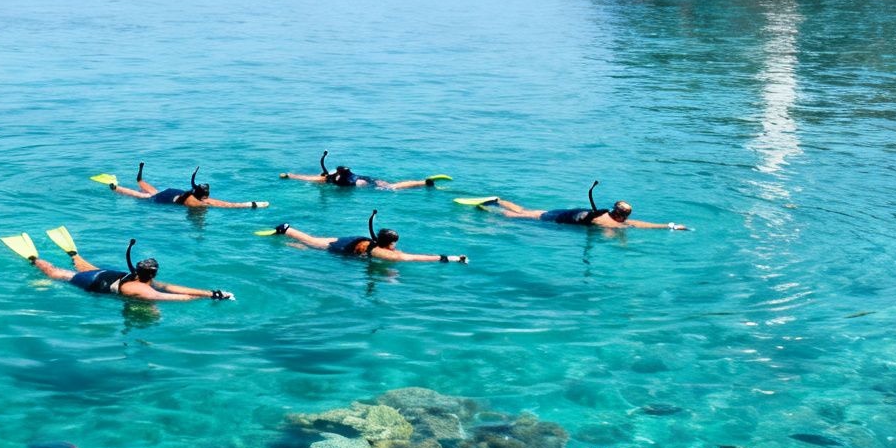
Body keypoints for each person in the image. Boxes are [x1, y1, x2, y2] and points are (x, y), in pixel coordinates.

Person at [1, 229, 233, 302]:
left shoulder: (143, 280)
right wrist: (211, 297)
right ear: (152, 273)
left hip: (107, 274)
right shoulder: (141, 288)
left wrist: (212, 293)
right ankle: (34, 258)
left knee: (82, 263)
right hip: (94, 282)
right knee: (55, 273)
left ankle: (72, 253)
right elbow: (173, 297)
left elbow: (174, 288)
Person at [465, 181, 687, 230]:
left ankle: (496, 200)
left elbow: (638, 224)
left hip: (564, 212)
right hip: (560, 218)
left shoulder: (608, 216)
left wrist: (669, 225)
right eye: (626, 214)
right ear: (620, 214)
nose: (628, 218)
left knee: (526, 211)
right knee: (518, 217)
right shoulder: (608, 222)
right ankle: (487, 210)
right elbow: (625, 229)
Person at [262, 211, 468, 263]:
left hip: (352, 239)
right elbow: (410, 258)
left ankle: (288, 236)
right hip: (343, 247)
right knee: (313, 243)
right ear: (390, 243)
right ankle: (286, 230)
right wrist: (448, 258)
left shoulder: (376, 244)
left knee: (312, 241)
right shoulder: (381, 252)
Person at [93, 164, 269, 209]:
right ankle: (115, 187)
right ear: (203, 195)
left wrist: (254, 204)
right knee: (143, 196)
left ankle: (136, 178)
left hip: (170, 192)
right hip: (164, 198)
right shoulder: (197, 203)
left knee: (147, 190)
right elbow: (228, 205)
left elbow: (228, 205)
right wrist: (253, 204)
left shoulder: (193, 197)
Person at [280, 150, 449, 191]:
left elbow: (306, 178)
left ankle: (423, 184)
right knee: (391, 185)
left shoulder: (326, 179)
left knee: (391, 189)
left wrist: (290, 175)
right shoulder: (336, 173)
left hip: (358, 183)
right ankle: (423, 182)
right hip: (363, 178)